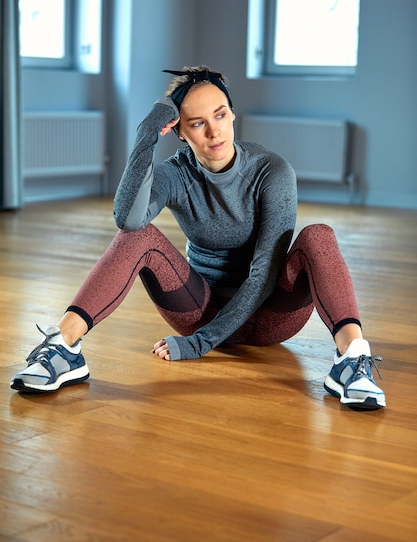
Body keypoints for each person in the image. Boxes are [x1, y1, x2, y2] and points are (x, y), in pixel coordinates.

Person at [10, 65, 385, 410]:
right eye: (197, 123)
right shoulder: (176, 175)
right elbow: (128, 218)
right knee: (137, 236)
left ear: (233, 113)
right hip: (200, 309)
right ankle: (65, 349)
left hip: (271, 316)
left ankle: (351, 359)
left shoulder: (271, 171)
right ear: (178, 130)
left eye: (220, 115)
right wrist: (145, 134)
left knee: (319, 235)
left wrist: (200, 344)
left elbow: (263, 276)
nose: (214, 131)